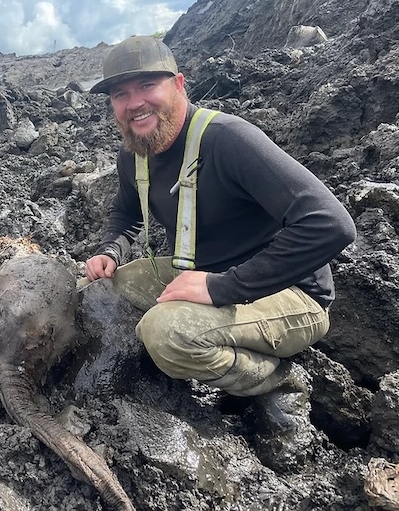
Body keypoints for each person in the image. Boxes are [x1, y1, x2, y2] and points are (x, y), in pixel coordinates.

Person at [84, 35, 357, 472]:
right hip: (204, 272)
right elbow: (125, 213)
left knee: (166, 334)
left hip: (293, 295)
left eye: (147, 86)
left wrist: (222, 287)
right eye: (121, 94)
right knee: (101, 289)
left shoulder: (229, 140)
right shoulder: (136, 151)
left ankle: (277, 382)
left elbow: (331, 223)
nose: (134, 103)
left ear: (179, 85)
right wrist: (111, 252)